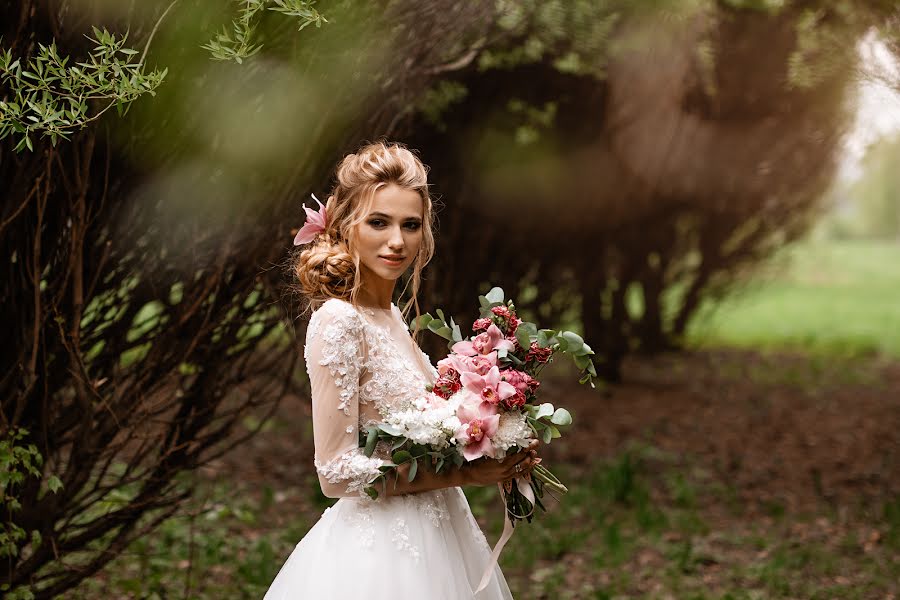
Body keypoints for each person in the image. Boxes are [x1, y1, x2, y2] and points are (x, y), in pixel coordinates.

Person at [263, 141, 539, 599]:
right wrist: (467, 475)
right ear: (346, 226)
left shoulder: (390, 317)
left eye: (410, 225)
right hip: (381, 556)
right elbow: (335, 473)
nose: (397, 241)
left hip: (443, 534)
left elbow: (421, 436)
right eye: (379, 222)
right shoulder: (340, 320)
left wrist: (494, 442)